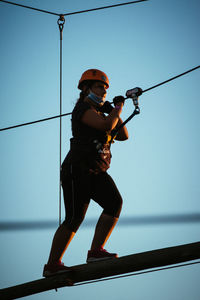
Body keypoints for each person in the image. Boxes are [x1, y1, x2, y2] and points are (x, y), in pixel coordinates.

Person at [43, 69, 129, 277]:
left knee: (114, 203)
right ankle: (52, 265)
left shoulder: (102, 112)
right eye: (100, 87)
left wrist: (113, 109)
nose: (103, 92)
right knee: (74, 218)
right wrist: (116, 109)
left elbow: (123, 135)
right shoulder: (82, 109)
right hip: (78, 169)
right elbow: (107, 125)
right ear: (86, 88)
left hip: (96, 170)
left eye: (105, 89)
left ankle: (96, 252)